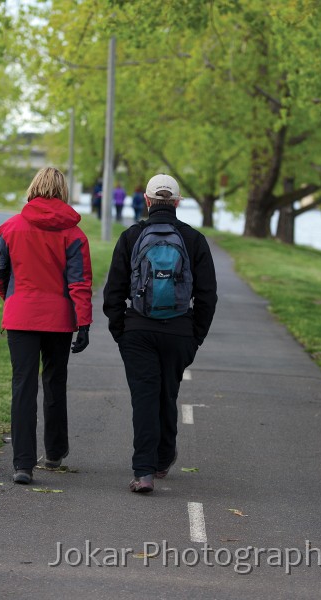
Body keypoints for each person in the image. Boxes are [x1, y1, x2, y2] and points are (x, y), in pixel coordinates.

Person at [103, 173, 217, 493]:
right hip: (180, 331)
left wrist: (121, 331)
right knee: (168, 393)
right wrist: (196, 336)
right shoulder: (193, 239)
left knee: (144, 398)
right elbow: (207, 295)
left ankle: (144, 473)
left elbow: (114, 291)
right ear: (178, 203)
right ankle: (164, 457)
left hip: (138, 330)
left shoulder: (131, 236)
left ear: (148, 201)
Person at [0, 167, 93, 485]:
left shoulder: (10, 227)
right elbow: (80, 283)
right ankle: (55, 452)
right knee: (54, 382)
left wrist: (12, 299)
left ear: (33, 188)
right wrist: (84, 322)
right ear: (63, 192)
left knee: (23, 386)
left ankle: (22, 464)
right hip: (59, 318)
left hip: (20, 314)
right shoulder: (74, 235)